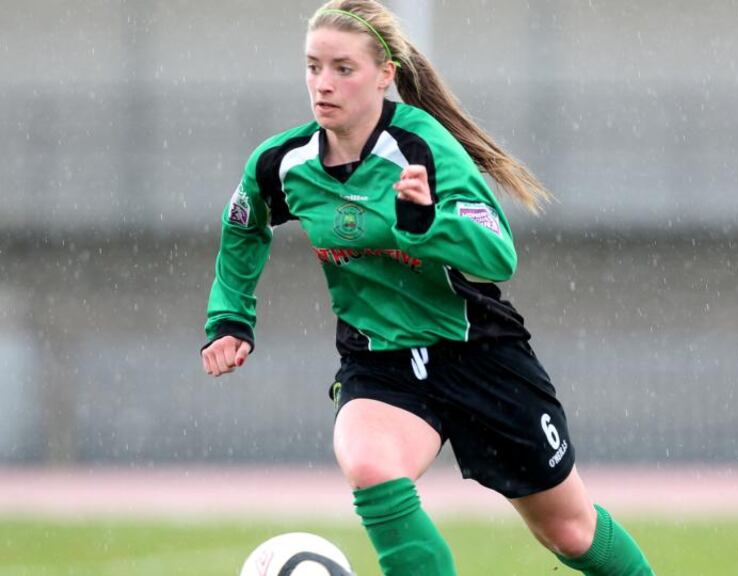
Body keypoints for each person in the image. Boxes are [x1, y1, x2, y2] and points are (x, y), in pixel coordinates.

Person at [201, 1, 655, 574]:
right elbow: (243, 225)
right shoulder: (284, 163)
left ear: (385, 73)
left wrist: (424, 223)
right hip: (380, 360)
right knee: (370, 465)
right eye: (314, 67)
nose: (324, 84)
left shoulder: (421, 149)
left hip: (477, 352)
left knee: (570, 531)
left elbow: (497, 253)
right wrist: (230, 317)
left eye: (344, 68)